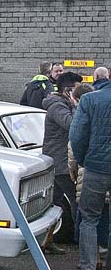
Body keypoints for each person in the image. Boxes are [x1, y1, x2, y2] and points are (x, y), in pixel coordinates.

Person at [70, 68, 111, 270]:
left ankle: (88, 269)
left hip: (96, 167)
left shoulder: (88, 99)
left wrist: (84, 158)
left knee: (89, 219)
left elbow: (77, 135)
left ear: (96, 80)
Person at [41, 71, 83, 253]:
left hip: (60, 160)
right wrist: (77, 106)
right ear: (67, 90)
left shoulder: (62, 104)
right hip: (61, 162)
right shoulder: (57, 106)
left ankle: (47, 241)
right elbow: (72, 125)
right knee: (76, 201)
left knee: (54, 204)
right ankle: (83, 243)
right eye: (76, 89)